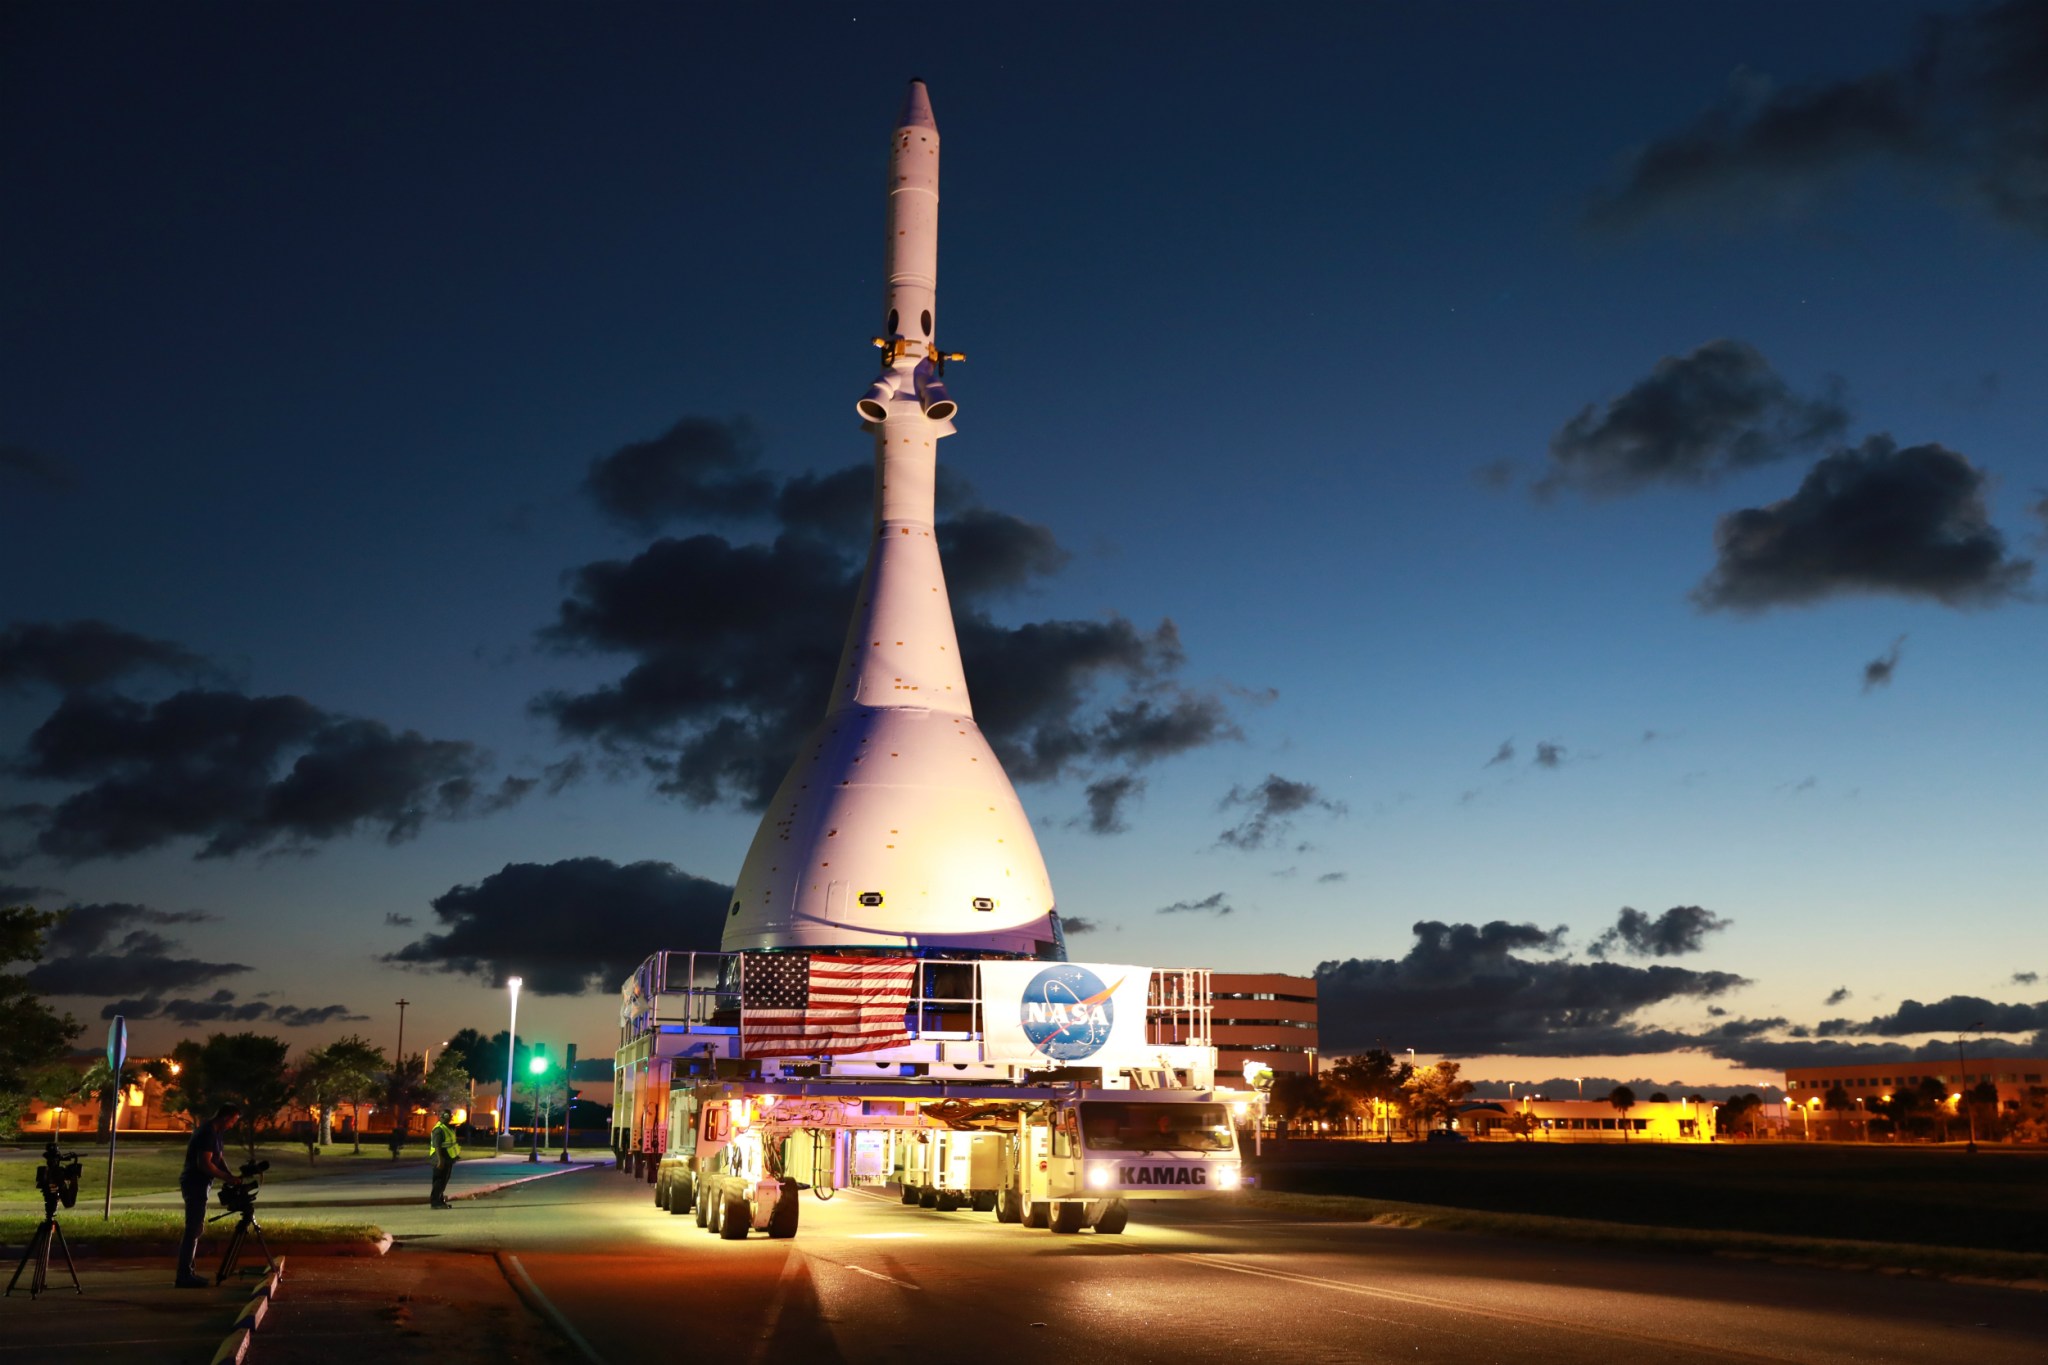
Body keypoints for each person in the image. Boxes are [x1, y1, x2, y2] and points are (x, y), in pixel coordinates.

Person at [175, 1103, 241, 1287]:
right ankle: (184, 1276)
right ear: (227, 1117)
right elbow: (204, 1164)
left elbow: (217, 1159)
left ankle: (187, 1272)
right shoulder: (207, 1132)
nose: (233, 1125)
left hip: (202, 1183)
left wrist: (231, 1176)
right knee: (193, 1229)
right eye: (234, 1120)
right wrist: (226, 1178)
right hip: (194, 1183)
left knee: (196, 1228)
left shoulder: (216, 1133)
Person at [428, 1108, 462, 1208]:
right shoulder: (439, 1129)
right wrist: (440, 1160)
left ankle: (440, 1200)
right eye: (445, 1116)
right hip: (440, 1158)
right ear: (440, 1117)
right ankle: (435, 1202)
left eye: (449, 1116)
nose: (447, 1118)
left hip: (447, 1158)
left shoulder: (447, 1128)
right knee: (439, 1181)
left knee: (443, 1181)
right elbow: (437, 1146)